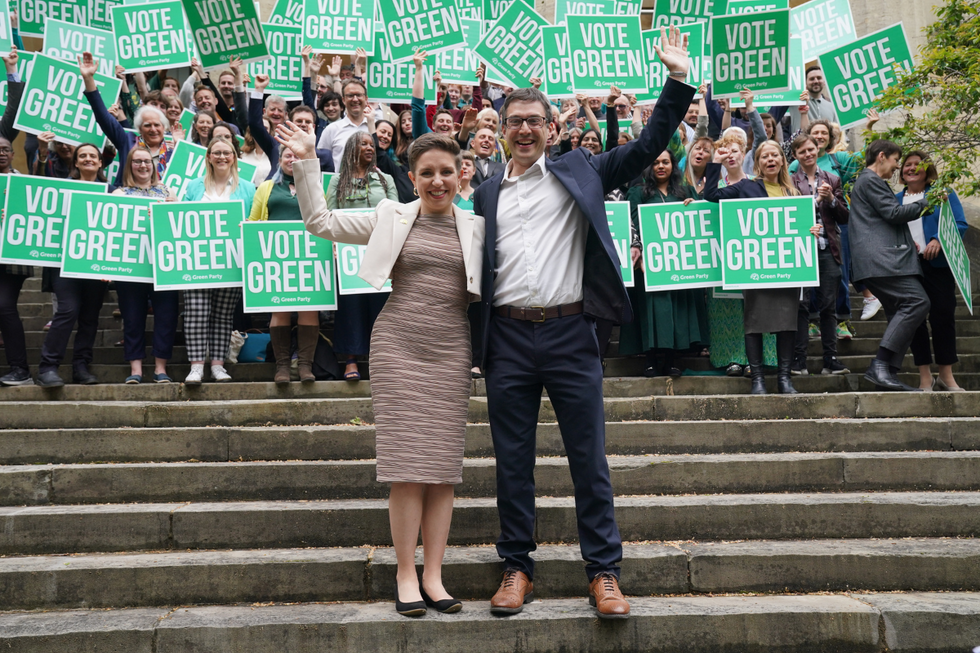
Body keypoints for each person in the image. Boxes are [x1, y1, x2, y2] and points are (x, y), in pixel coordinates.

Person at [471, 26, 693, 620]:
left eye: (533, 120)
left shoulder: (584, 171)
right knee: (511, 461)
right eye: (513, 120)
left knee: (588, 459)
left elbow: (647, 147)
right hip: (508, 339)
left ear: (551, 127)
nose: (523, 129)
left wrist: (676, 80)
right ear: (501, 129)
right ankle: (517, 567)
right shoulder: (485, 192)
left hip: (572, 334)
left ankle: (604, 573)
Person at [281, 125, 484, 617]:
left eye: (446, 172)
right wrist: (309, 162)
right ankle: (405, 573)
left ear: (461, 174)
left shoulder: (478, 225)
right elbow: (320, 222)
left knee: (442, 471)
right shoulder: (390, 215)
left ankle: (434, 575)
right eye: (427, 173)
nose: (438, 181)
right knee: (406, 468)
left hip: (451, 350)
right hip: (399, 348)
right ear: (412, 179)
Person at [705, 140, 804, 395]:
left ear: (782, 160)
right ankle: (757, 379)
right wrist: (716, 162)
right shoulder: (746, 187)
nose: (770, 160)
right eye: (764, 156)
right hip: (755, 268)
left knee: (786, 322)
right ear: (757, 163)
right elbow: (712, 196)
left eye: (775, 155)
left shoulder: (793, 193)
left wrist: (811, 230)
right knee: (754, 322)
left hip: (785, 269)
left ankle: (784, 378)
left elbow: (802, 226)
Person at [849, 139, 932, 392]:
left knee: (899, 312)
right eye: (896, 160)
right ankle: (880, 366)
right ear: (882, 156)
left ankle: (887, 374)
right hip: (881, 262)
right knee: (917, 302)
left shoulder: (868, 182)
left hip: (879, 261)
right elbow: (894, 214)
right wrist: (929, 200)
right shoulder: (871, 180)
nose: (897, 167)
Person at [622, 150, 708, 377]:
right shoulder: (637, 192)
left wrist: (695, 206)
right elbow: (629, 224)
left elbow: (700, 223)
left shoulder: (686, 191)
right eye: (656, 163)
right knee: (652, 310)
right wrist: (638, 250)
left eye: (666, 162)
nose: (661, 166)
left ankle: (672, 360)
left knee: (676, 311)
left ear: (673, 165)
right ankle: (650, 360)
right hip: (647, 264)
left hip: (678, 264)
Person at [181, 138, 257, 384]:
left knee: (223, 315)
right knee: (195, 312)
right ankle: (195, 367)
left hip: (231, 261)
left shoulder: (247, 187)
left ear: (234, 157)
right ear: (209, 157)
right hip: (197, 261)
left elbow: (254, 220)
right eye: (217, 153)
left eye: (227, 153)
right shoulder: (194, 187)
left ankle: (217, 365)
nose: (222, 157)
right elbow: (180, 218)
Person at [35, 144, 110, 387]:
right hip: (63, 263)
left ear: (100, 162)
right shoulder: (60, 189)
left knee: (89, 317)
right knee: (68, 310)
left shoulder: (112, 194)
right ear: (75, 163)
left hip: (96, 265)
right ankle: (48, 367)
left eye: (93, 156)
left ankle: (81, 366)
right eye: (83, 156)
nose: (88, 159)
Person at [326, 132, 398, 380]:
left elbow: (397, 214)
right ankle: (351, 360)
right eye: (364, 144)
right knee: (351, 306)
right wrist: (334, 245)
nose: (370, 147)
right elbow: (329, 216)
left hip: (380, 249)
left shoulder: (386, 179)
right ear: (351, 149)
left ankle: (382, 360)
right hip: (348, 254)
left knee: (382, 306)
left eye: (372, 144)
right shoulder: (337, 181)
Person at [248, 143, 321, 384]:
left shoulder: (315, 186)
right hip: (276, 259)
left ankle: (304, 366)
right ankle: (281, 367)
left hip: (308, 257)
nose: (292, 159)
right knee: (279, 310)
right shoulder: (267, 187)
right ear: (279, 160)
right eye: (288, 155)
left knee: (309, 309)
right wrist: (248, 229)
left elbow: (325, 217)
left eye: (297, 156)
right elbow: (254, 219)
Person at [896, 151, 968, 391]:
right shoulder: (893, 199)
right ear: (901, 171)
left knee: (943, 316)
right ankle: (925, 378)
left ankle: (946, 376)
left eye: (918, 164)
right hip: (906, 267)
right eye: (908, 165)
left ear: (928, 170)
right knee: (915, 320)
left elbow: (959, 223)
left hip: (937, 265)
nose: (912, 168)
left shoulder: (941, 194)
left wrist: (938, 239)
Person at [110, 146, 179, 383]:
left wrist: (174, 206)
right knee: (132, 317)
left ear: (154, 165)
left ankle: (161, 368)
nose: (142, 166)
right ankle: (136, 369)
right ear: (129, 165)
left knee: (167, 317)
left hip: (163, 266)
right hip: (131, 266)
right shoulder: (118, 194)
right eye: (137, 162)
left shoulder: (168, 192)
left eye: (147, 161)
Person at [789, 134, 851, 376]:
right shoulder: (789, 182)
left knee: (828, 306)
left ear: (818, 150)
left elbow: (845, 218)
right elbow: (788, 216)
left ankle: (831, 359)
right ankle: (799, 360)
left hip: (828, 249)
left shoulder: (833, 179)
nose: (808, 154)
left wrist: (832, 201)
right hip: (801, 251)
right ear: (795, 155)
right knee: (801, 306)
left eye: (811, 149)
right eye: (802, 151)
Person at [317, 78, 370, 165]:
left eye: (359, 95)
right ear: (343, 100)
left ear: (366, 99)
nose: (355, 99)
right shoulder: (331, 129)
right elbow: (322, 162)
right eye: (350, 96)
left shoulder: (376, 126)